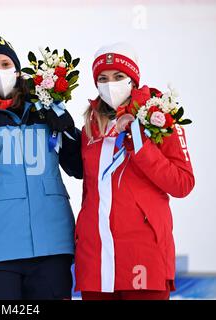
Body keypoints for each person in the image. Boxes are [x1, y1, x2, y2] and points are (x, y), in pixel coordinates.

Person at [0, 34, 82, 300]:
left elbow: (78, 167)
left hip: (51, 246)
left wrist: (66, 126)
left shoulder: (44, 110)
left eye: (5, 63)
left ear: (18, 69)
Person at [74, 42, 195, 300]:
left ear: (132, 80)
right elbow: (89, 192)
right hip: (96, 261)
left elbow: (183, 184)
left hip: (144, 257)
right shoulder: (90, 127)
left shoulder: (161, 119)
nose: (110, 84)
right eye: (103, 79)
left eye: (118, 77)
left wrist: (140, 146)